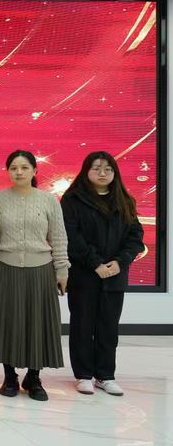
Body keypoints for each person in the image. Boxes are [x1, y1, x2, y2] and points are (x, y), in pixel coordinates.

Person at [0, 150, 68, 401]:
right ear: (8, 171)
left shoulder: (48, 200)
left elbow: (59, 237)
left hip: (41, 271)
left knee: (37, 324)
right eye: (14, 168)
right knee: (6, 323)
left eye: (24, 167)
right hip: (5, 269)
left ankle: (34, 378)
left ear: (34, 171)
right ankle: (9, 376)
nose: (19, 172)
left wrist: (62, 269)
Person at [62, 151, 144, 397]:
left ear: (114, 173)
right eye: (96, 168)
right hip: (84, 274)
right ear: (86, 171)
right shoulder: (72, 200)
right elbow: (71, 237)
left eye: (108, 169)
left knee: (108, 327)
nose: (102, 173)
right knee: (82, 325)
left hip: (115, 276)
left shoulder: (125, 200)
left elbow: (135, 237)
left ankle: (105, 376)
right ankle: (84, 375)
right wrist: (96, 263)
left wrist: (120, 262)